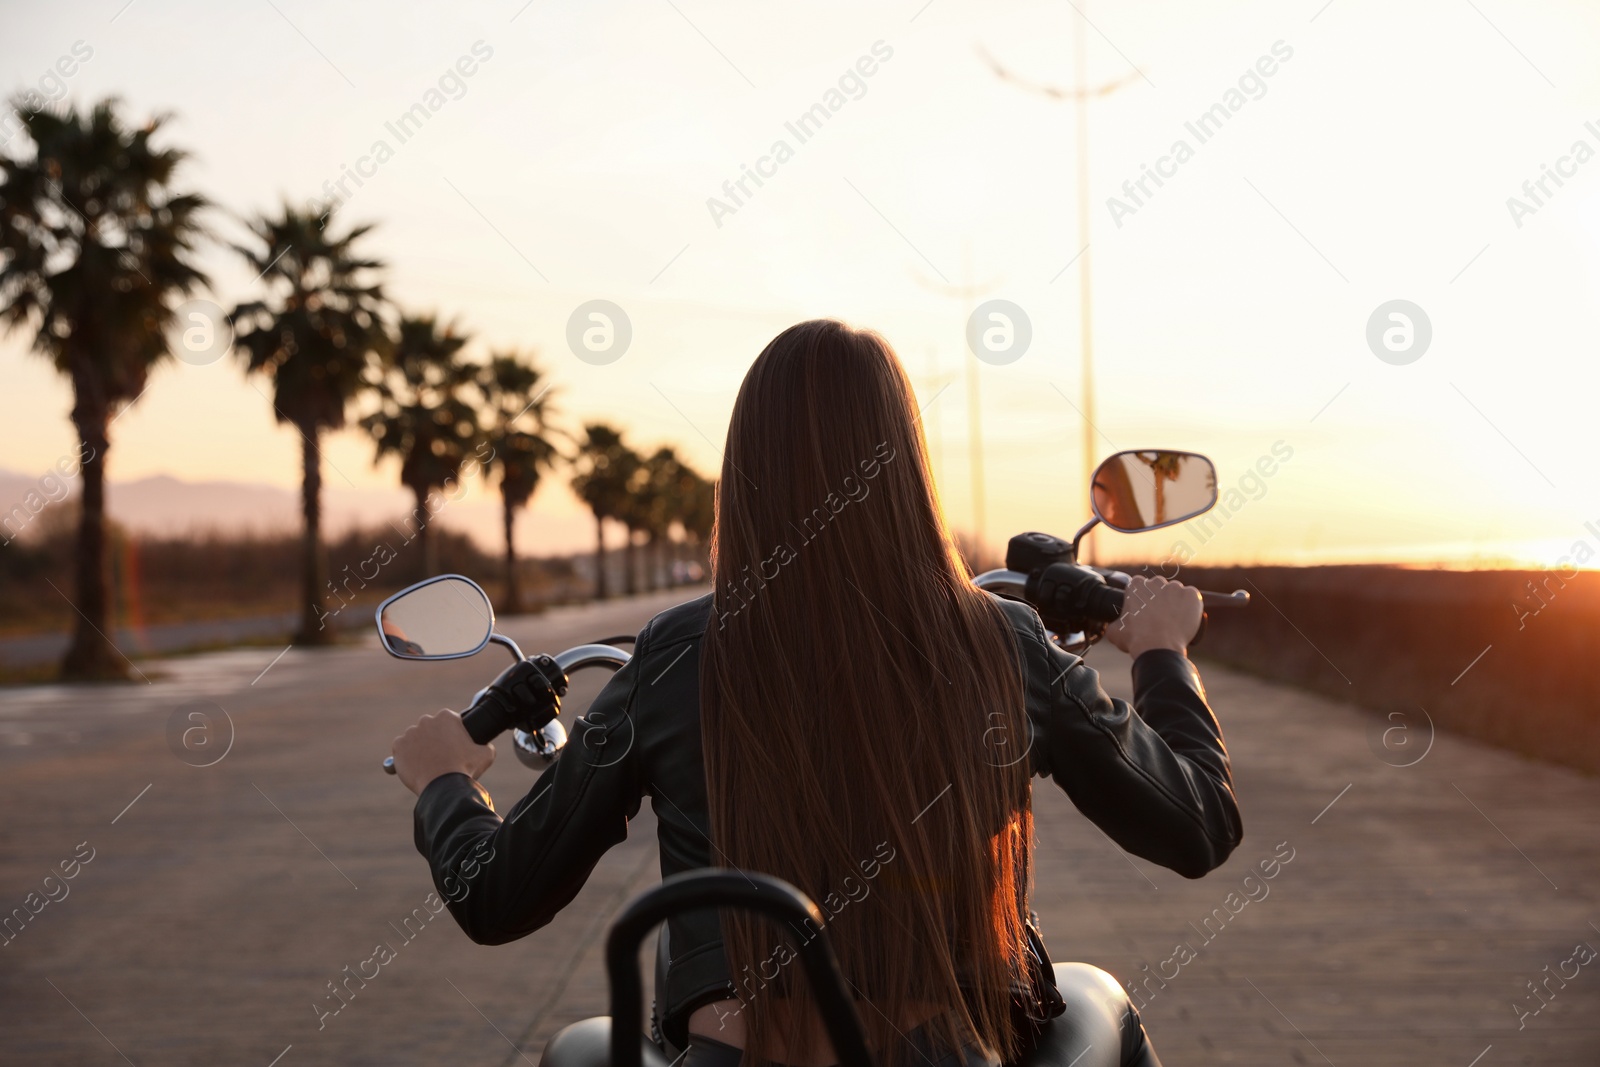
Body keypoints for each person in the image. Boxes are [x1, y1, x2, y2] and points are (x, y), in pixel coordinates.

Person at [390, 320, 1241, 1067]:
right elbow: (1198, 823)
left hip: (733, 1055)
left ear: (746, 472)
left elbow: (496, 895)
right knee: (1102, 997)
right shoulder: (1003, 643)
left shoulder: (676, 655)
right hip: (953, 1052)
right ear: (905, 463)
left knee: (580, 1046)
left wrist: (445, 786)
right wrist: (1162, 653)